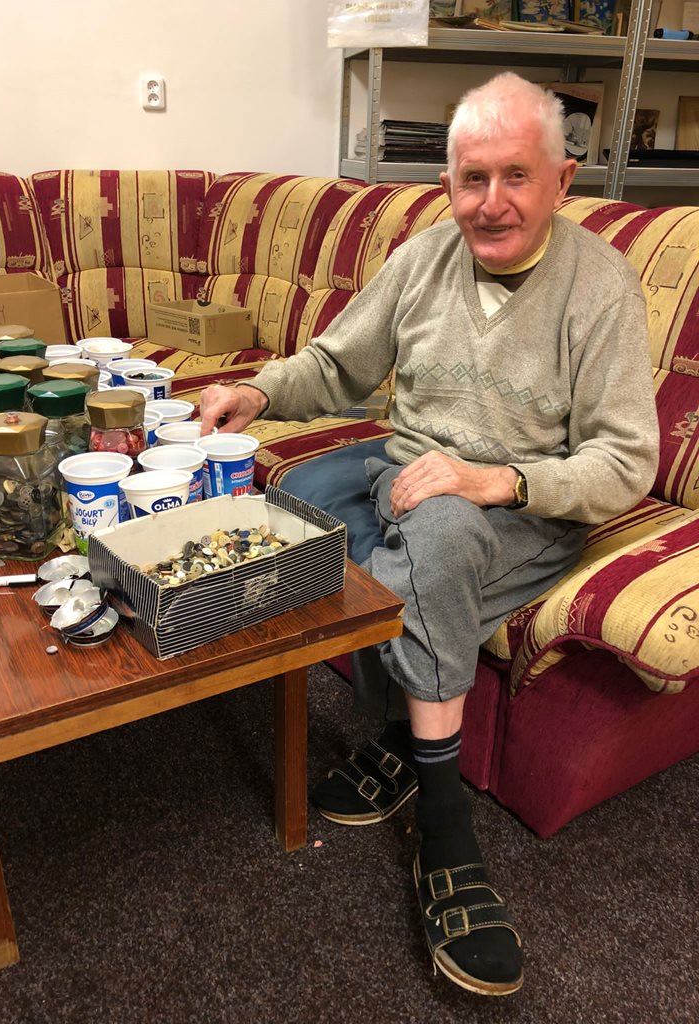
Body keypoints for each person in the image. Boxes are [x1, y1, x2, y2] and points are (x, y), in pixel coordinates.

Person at [199, 72, 659, 997]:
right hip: (409, 471)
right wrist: (256, 391)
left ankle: (444, 826)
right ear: (446, 184)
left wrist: (496, 480)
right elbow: (338, 364)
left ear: (562, 181)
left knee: (436, 536)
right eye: (472, 179)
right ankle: (401, 740)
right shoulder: (423, 258)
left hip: (524, 505)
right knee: (295, 512)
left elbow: (624, 462)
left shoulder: (600, 286)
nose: (492, 203)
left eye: (516, 176)